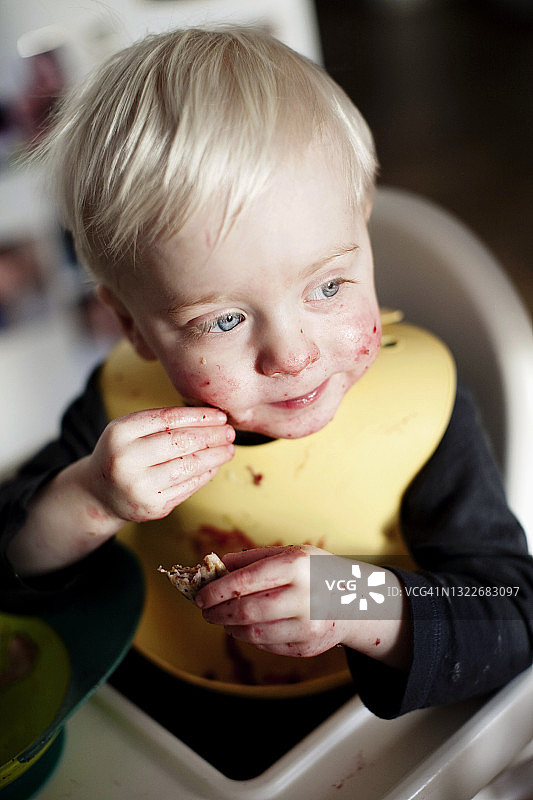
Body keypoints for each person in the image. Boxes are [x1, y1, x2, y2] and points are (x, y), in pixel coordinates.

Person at [1, 27, 531, 719]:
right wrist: (91, 498)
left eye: (328, 286)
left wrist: (353, 603)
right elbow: (12, 569)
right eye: (222, 321)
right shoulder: (120, 408)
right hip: (163, 694)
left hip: (352, 712)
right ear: (134, 328)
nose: (294, 356)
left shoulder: (422, 408)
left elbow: (506, 611)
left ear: (361, 229)